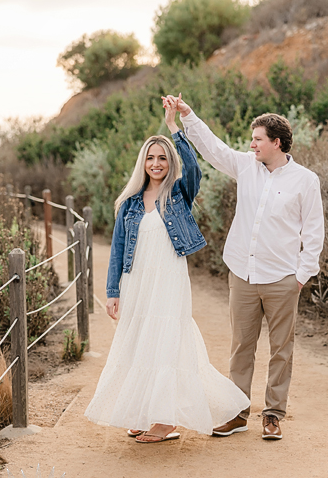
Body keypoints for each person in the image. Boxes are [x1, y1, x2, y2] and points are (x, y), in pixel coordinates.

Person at [85, 98, 249, 443]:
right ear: (142, 163)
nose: (156, 163)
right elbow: (117, 252)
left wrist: (174, 126)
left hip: (169, 282)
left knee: (166, 344)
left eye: (162, 158)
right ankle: (147, 413)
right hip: (136, 283)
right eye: (151, 157)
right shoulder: (128, 204)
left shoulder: (178, 194)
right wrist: (112, 292)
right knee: (140, 345)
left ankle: (166, 422)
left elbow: (193, 167)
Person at [164, 94, 324, 441]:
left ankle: (273, 414)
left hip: (282, 278)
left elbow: (313, 232)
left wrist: (301, 276)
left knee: (281, 349)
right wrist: (188, 115)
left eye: (258, 140)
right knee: (241, 347)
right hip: (243, 273)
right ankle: (236, 413)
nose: (251, 145)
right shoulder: (245, 167)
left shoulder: (305, 180)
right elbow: (212, 148)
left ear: (276, 142)